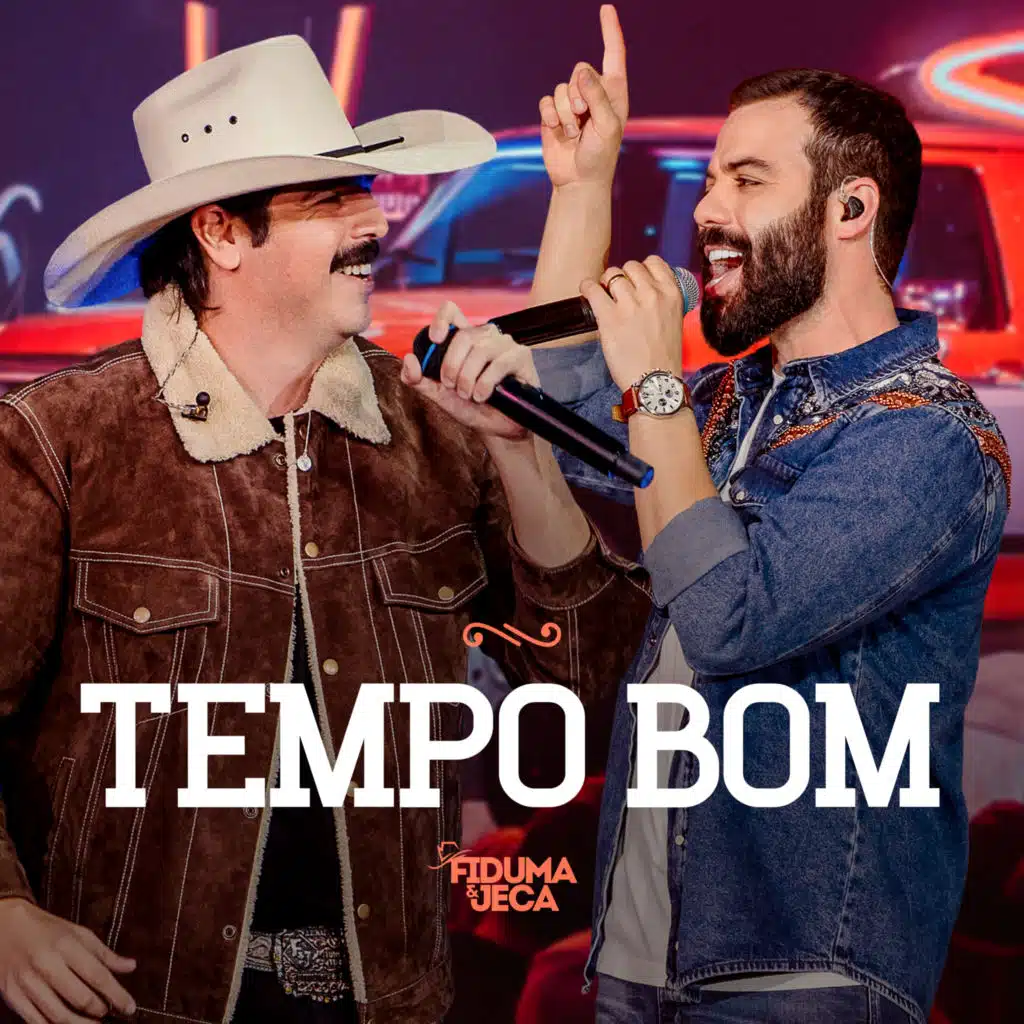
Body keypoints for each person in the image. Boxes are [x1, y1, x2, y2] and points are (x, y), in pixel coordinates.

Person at [0, 36, 651, 1024]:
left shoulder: (435, 427)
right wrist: (4, 911)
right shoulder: (63, 439)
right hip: (141, 1001)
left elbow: (595, 686)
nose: (374, 219)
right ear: (221, 233)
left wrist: (522, 456)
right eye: (330, 198)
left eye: (366, 190)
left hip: (388, 1002)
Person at [527, 7, 1011, 1023]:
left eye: (747, 181)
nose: (708, 209)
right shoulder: (730, 401)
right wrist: (581, 185)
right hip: (643, 963)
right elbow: (557, 410)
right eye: (711, 180)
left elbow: (728, 618)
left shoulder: (929, 436)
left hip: (796, 980)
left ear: (850, 209)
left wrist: (655, 382)